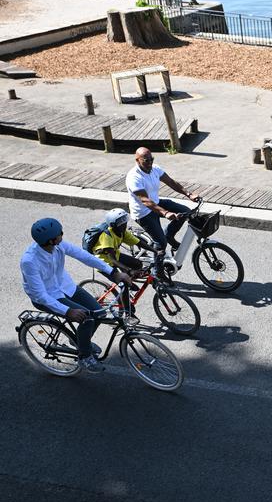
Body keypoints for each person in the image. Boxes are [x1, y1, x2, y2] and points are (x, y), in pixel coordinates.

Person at [21, 218, 130, 373]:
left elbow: (85, 256)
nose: (62, 235)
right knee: (87, 319)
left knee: (99, 313)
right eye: (60, 233)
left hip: (67, 288)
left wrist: (113, 272)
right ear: (51, 240)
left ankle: (80, 341)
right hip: (48, 297)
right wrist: (68, 311)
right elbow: (39, 295)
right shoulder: (29, 261)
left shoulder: (58, 245)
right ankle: (84, 356)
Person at [126, 147, 200, 275]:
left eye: (151, 159)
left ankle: (169, 235)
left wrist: (189, 194)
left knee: (185, 212)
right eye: (146, 160)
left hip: (156, 203)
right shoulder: (134, 177)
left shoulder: (155, 168)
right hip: (143, 212)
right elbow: (145, 201)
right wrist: (165, 213)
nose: (150, 163)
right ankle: (158, 274)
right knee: (160, 243)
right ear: (137, 160)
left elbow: (171, 182)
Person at [91, 208, 157, 323]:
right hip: (104, 263)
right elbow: (112, 260)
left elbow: (138, 242)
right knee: (123, 284)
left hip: (114, 256)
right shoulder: (106, 236)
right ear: (113, 225)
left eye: (124, 220)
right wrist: (128, 271)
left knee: (137, 263)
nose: (124, 224)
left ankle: (129, 282)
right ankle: (128, 314)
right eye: (121, 222)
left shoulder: (121, 231)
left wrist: (155, 251)